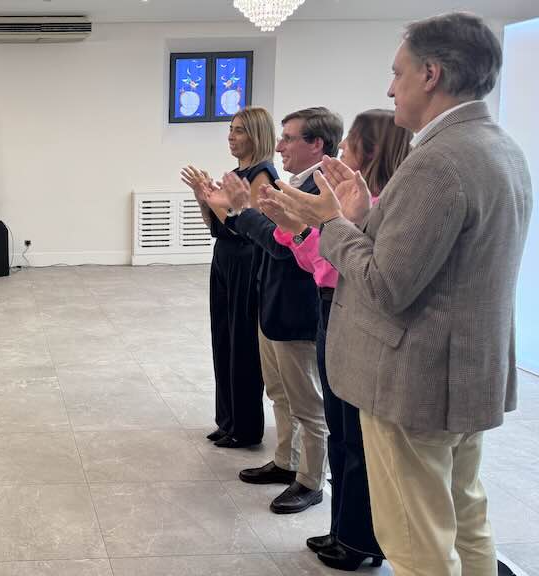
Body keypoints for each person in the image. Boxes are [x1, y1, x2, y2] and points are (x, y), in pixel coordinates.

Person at [271, 13, 531, 576]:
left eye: (398, 73)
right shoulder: (500, 147)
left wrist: (331, 223)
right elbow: (438, 266)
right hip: (465, 375)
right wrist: (360, 218)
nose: (390, 89)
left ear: (431, 74)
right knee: (465, 520)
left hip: (416, 382)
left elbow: (385, 285)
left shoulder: (436, 162)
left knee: (415, 542)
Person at [259, 109, 411, 571]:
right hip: (334, 309)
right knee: (342, 431)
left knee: (355, 437)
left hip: (352, 315)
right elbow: (318, 264)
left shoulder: (379, 206)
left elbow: (343, 269)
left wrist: (311, 227)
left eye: (350, 144)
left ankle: (360, 539)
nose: (341, 150)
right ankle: (343, 528)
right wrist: (300, 229)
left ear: (372, 150)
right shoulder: (353, 202)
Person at [202, 107, 342, 515]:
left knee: (307, 404)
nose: (279, 147)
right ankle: (286, 460)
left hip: (296, 310)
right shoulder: (295, 185)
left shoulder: (321, 190)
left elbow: (286, 247)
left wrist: (243, 212)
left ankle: (310, 481)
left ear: (316, 144)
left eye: (289, 138)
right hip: (272, 302)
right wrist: (242, 212)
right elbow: (273, 238)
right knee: (280, 392)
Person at [180, 106, 273, 451]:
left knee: (243, 344)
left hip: (247, 263)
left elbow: (244, 225)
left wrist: (213, 197)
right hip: (225, 260)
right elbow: (217, 226)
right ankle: (227, 420)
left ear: (257, 134)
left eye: (239, 130)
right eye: (230, 130)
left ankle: (245, 427)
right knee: (223, 338)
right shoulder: (236, 174)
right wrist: (203, 199)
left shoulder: (262, 173)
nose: (231, 137)